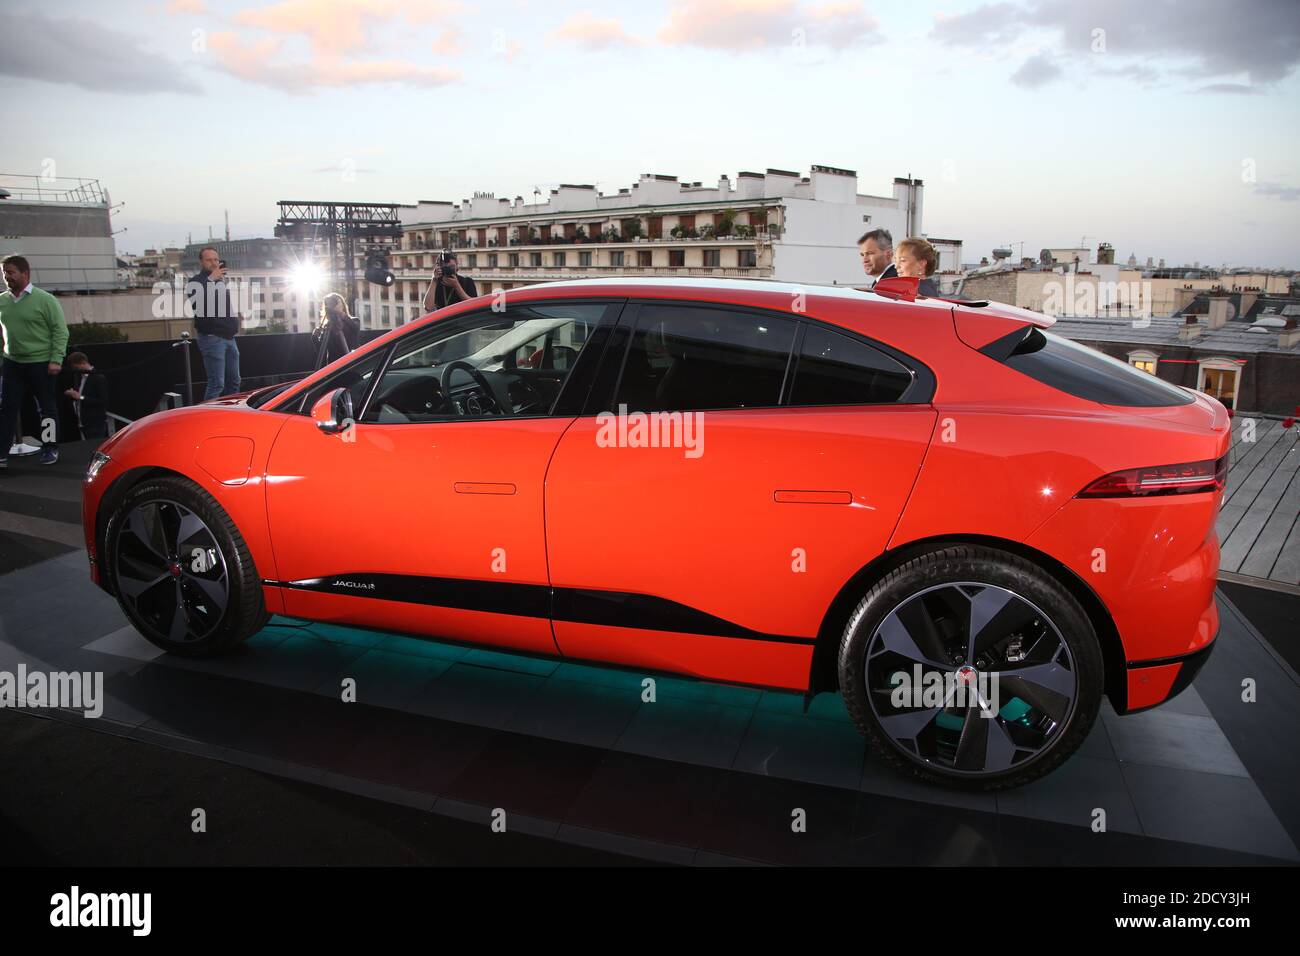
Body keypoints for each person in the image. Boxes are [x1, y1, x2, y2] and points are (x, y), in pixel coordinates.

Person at [0, 254, 68, 468]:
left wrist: (56, 359)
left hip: (41, 363)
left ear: (25, 273)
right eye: (4, 274)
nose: (6, 277)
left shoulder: (45, 300)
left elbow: (60, 331)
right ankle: (2, 452)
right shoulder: (2, 301)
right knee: (7, 408)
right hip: (12, 363)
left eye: (10, 273)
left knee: (47, 409)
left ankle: (50, 448)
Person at [186, 246, 243, 400]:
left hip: (229, 338)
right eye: (209, 260)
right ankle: (207, 417)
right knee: (217, 383)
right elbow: (198, 302)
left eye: (216, 259)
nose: (213, 263)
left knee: (234, 381)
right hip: (212, 338)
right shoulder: (196, 282)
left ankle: (230, 415)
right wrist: (211, 279)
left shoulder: (220, 282)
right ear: (201, 262)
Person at [60, 351, 109, 440]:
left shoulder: (98, 378)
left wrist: (80, 397)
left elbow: (103, 401)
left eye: (77, 367)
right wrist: (72, 394)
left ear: (83, 363)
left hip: (95, 424)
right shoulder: (79, 378)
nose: (76, 370)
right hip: (82, 423)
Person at [312, 292, 361, 365]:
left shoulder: (354, 321)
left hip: (352, 363)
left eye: (335, 302)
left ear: (342, 304)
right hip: (334, 366)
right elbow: (322, 352)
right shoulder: (328, 327)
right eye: (331, 303)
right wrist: (315, 337)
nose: (333, 305)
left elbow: (355, 328)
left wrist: (341, 314)